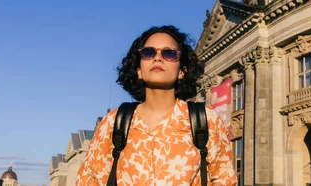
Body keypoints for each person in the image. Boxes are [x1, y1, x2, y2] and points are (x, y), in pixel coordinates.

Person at [75, 25, 238, 186]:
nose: (157, 58)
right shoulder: (114, 122)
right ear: (139, 70)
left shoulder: (206, 121)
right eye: (148, 52)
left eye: (169, 53)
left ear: (182, 71)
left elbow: (224, 179)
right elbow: (89, 180)